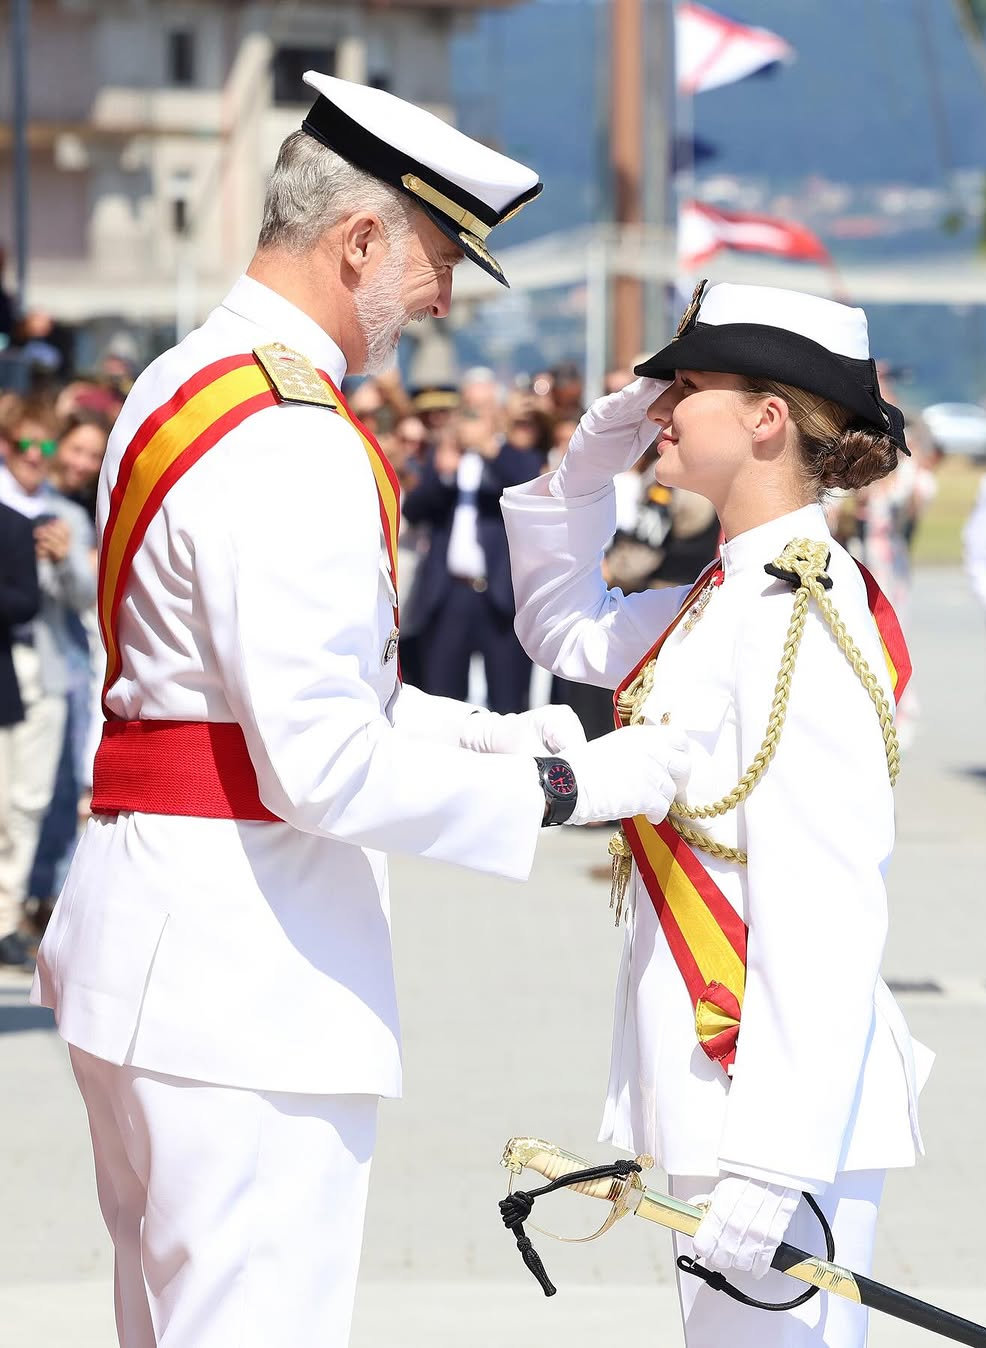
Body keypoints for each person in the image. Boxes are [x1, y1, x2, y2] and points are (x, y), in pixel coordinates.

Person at [30, 75, 689, 1348]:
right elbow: (323, 761)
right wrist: (561, 792)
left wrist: (518, 734)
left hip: (168, 938)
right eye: (442, 257)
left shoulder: (192, 375)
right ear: (361, 239)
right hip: (243, 974)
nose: (444, 296)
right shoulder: (293, 434)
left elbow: (307, 697)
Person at [502, 281, 934, 1348]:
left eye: (685, 387)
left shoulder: (801, 611)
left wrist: (775, 1158)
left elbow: (828, 901)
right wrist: (591, 455)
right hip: (725, 1083)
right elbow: (561, 626)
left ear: (767, 419)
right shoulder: (723, 594)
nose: (660, 408)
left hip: (777, 1105)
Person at [0, 397, 97, 962]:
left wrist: (63, 561)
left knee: (31, 798)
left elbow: (85, 598)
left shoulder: (66, 513)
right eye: (24, 446)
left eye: (45, 447)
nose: (34, 457)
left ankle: (8, 912)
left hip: (48, 665)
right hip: (5, 661)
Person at [405, 407, 544, 711]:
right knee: (441, 698)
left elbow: (529, 486)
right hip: (450, 593)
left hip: (499, 597)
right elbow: (413, 510)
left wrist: (490, 451)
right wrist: (443, 475)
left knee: (507, 700)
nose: (469, 424)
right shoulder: (445, 458)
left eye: (477, 414)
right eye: (465, 413)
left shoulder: (515, 456)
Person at [0, 499, 40, 965]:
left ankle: (6, 922)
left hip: (3, 694)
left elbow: (25, 602)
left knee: (9, 814)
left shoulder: (11, 524)